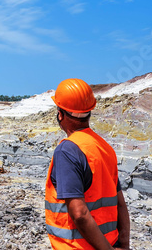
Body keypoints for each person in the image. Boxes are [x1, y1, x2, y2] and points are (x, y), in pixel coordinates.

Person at [45, 78, 130, 249]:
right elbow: (120, 204)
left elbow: (80, 214)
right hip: (110, 243)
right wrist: (124, 244)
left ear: (60, 114)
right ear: (89, 111)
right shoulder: (105, 148)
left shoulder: (67, 151)